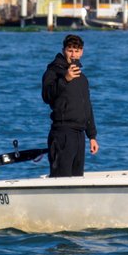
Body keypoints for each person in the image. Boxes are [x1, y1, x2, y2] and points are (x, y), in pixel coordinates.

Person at [42, 34, 99, 177]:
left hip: (80, 135)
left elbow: (87, 107)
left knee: (77, 179)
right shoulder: (53, 71)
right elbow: (46, 96)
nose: (73, 54)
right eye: (70, 50)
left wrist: (92, 136)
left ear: (82, 52)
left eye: (77, 50)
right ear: (63, 50)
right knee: (61, 179)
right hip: (62, 134)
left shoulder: (82, 78)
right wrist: (65, 79)